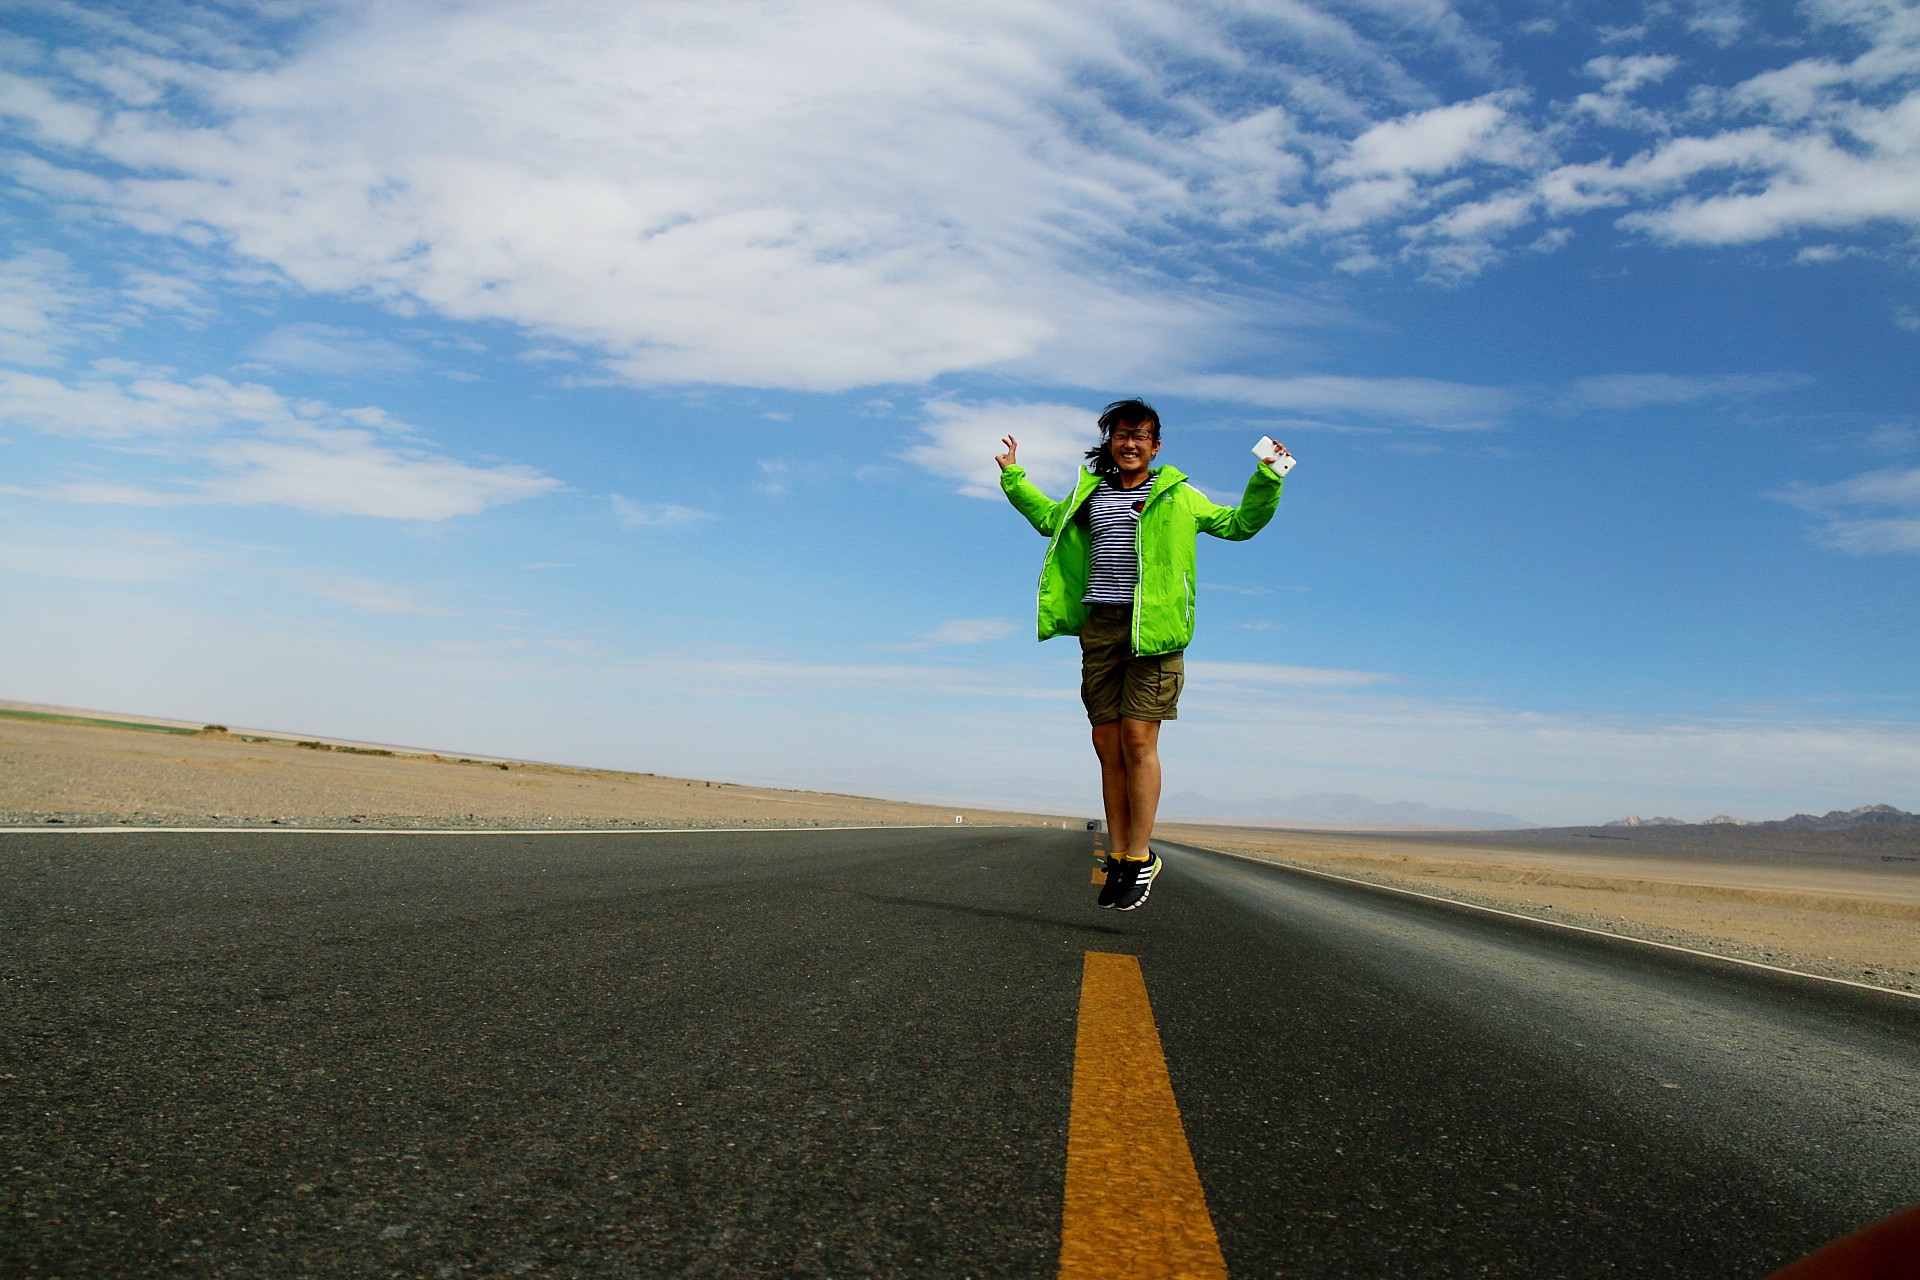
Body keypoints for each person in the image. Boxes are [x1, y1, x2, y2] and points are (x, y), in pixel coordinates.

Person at [995, 399, 1290, 911]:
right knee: (1107, 744)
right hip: (1101, 628)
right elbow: (1048, 520)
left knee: (1137, 739)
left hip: (1152, 630)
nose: (1130, 443)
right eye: (1121, 435)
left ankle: (1139, 856)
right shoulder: (1089, 494)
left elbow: (1239, 524)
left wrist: (1267, 477)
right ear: (1111, 443)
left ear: (1156, 446)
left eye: (1141, 435)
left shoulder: (1179, 495)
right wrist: (1014, 477)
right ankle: (1117, 857)